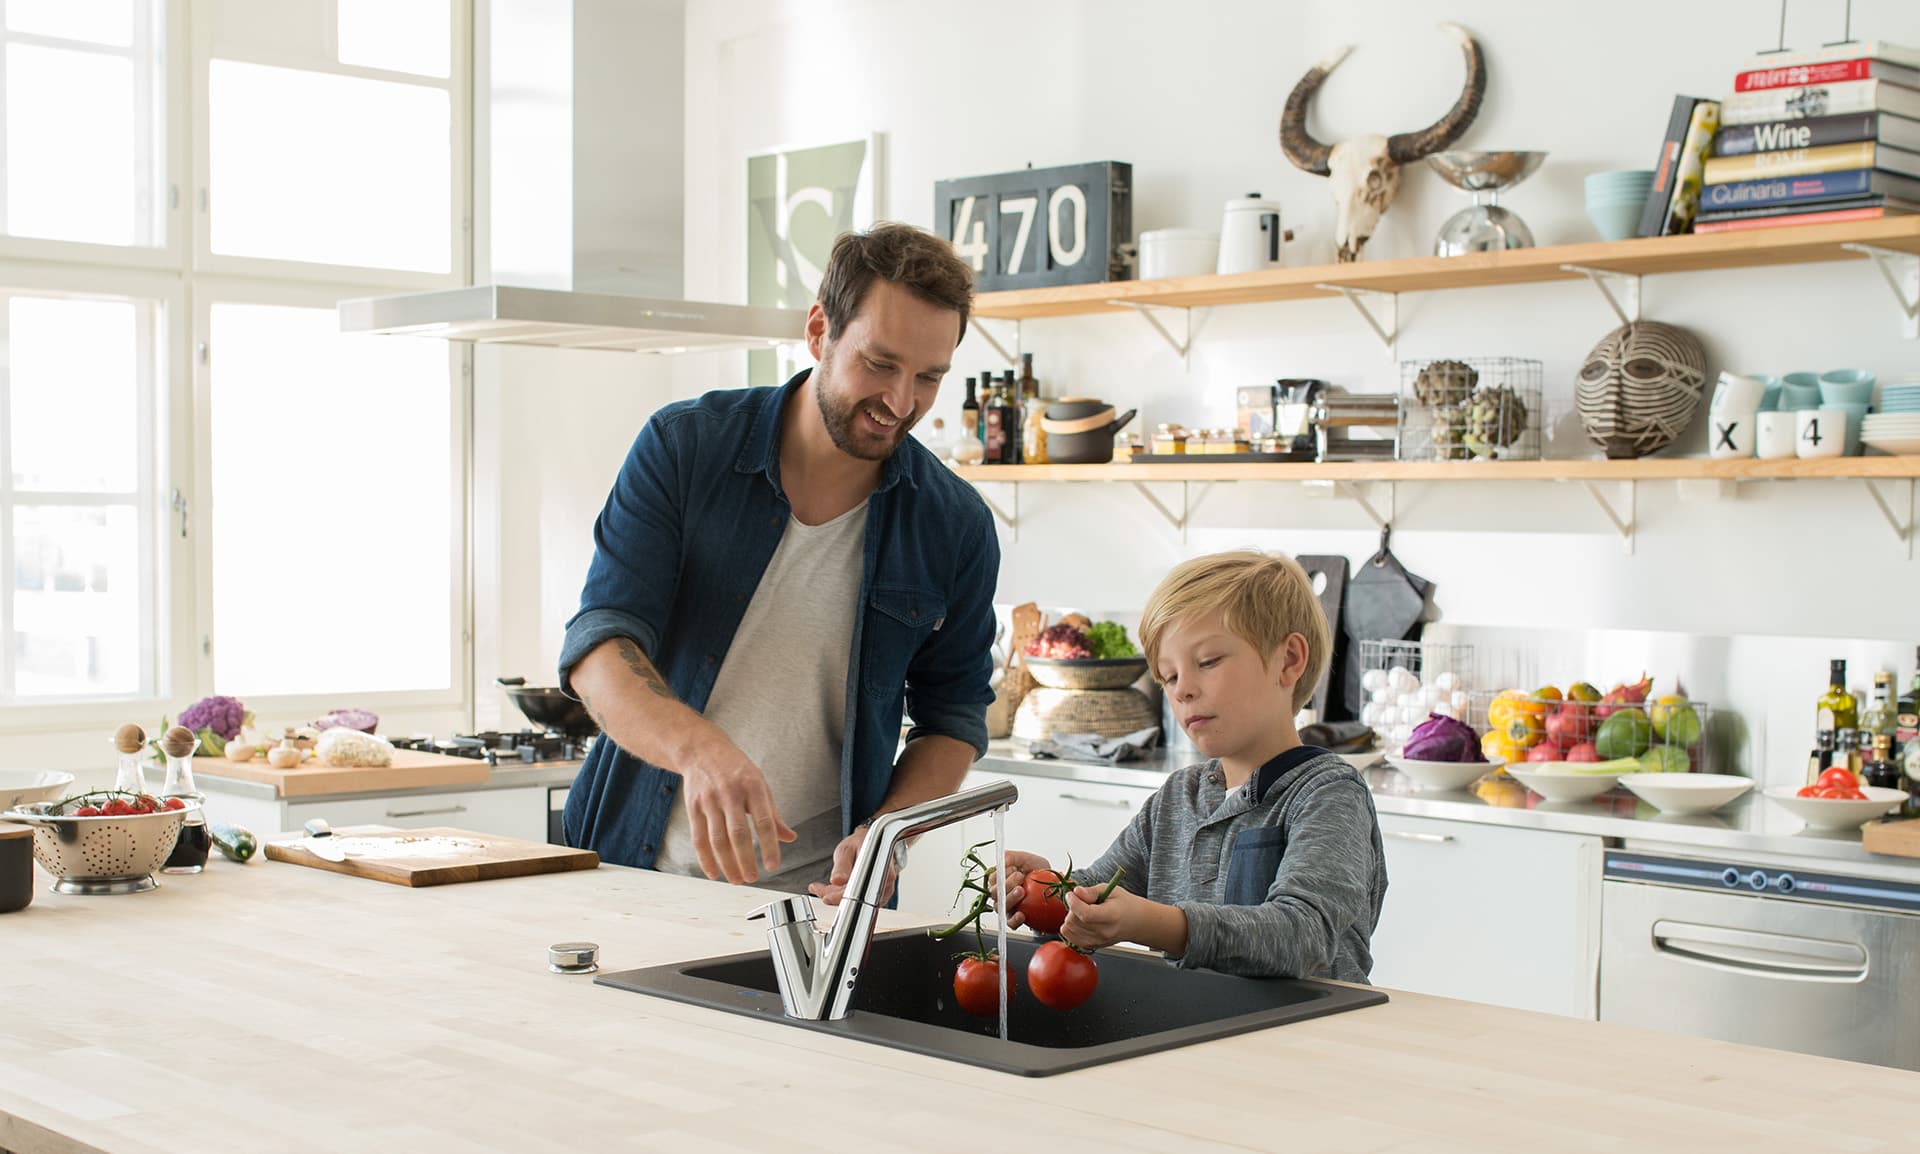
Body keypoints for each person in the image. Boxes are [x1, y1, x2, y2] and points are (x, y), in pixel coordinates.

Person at [557, 223, 998, 901]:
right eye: (879, 364)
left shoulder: (954, 526)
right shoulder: (686, 448)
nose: (902, 402)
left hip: (818, 907)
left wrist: (887, 834)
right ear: (820, 331)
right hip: (625, 873)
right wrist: (701, 752)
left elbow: (953, 721)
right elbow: (599, 650)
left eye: (929, 377)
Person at [998, 550, 1387, 981]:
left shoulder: (1328, 795)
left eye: (1207, 662)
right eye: (1168, 676)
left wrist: (1158, 924)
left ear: (1289, 660)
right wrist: (1048, 893)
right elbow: (1101, 894)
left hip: (1309, 1042)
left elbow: (1303, 935)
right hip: (1203, 1039)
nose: (1183, 690)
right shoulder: (1177, 799)